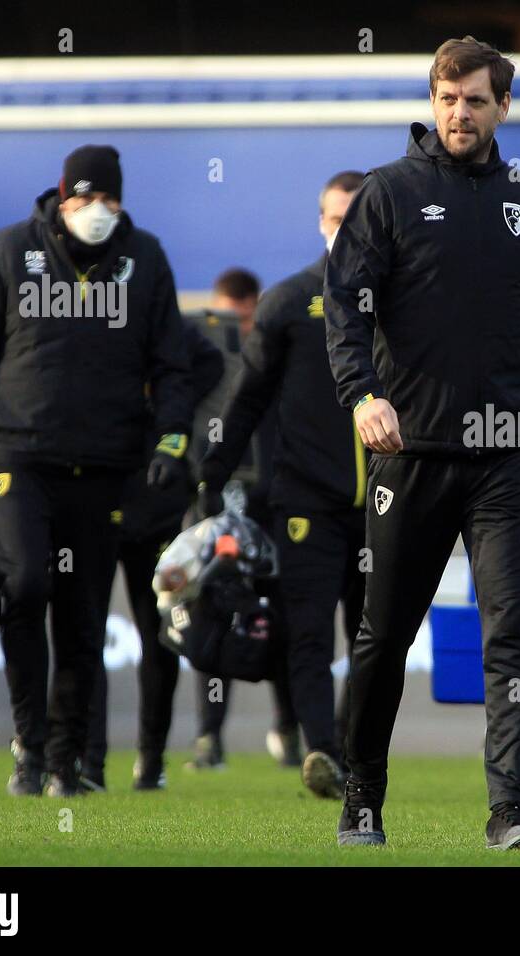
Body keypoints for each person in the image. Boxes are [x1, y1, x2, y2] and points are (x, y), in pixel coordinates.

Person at [325, 35, 520, 849]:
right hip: (414, 452)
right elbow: (347, 306)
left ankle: (511, 810)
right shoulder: (388, 193)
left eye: (473, 99)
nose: (458, 113)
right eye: (446, 98)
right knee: (384, 633)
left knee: (513, 631)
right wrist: (361, 394)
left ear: (503, 106)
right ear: (431, 102)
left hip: (510, 451)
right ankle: (362, 796)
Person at [0, 144, 193, 797]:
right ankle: (29, 744)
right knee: (24, 586)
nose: (98, 212)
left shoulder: (146, 258)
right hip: (20, 456)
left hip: (105, 463)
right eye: (86, 200)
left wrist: (171, 440)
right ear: (62, 196)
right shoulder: (11, 250)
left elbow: (173, 363)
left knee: (83, 620)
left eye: (110, 200)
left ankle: (64, 761)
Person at [197, 170, 368, 799]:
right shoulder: (290, 301)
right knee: (308, 633)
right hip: (307, 504)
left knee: (376, 641)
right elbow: (246, 399)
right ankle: (323, 752)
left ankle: (353, 751)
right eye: (334, 217)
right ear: (318, 222)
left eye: (356, 217)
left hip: (387, 502)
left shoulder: (410, 297)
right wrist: (213, 472)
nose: (344, 229)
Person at [80, 318, 225, 792]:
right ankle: (88, 760)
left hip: (156, 499)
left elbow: (210, 362)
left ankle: (150, 758)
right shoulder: (85, 321)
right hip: (96, 493)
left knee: (157, 632)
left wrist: (165, 406)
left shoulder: (163, 322)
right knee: (84, 633)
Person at [185, 265, 300, 771]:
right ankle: (210, 738)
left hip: (276, 499)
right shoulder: (203, 357)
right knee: (215, 608)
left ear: (256, 309)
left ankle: (288, 729)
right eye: (224, 315)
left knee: (283, 615)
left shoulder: (280, 355)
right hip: (221, 496)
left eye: (241, 316)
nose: (232, 326)